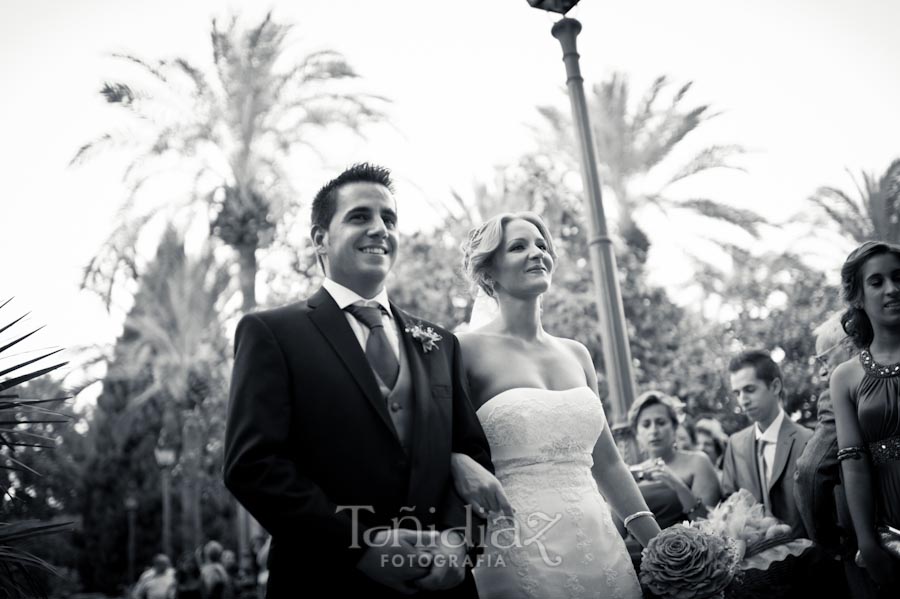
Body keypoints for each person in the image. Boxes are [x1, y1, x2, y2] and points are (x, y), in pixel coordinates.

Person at [223, 163, 493, 598]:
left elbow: (472, 455)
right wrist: (360, 546)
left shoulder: (441, 343)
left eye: (389, 219)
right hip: (326, 581)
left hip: (442, 587)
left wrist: (459, 543)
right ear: (320, 240)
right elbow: (253, 466)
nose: (379, 229)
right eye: (359, 217)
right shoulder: (272, 333)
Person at [448, 212, 660, 598]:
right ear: (488, 273)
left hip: (600, 544)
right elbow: (444, 446)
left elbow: (609, 464)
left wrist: (659, 546)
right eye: (519, 246)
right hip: (517, 546)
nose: (536, 254)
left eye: (542, 245)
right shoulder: (463, 351)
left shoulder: (577, 354)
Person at [830, 240, 900, 594]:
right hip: (891, 533)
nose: (893, 289)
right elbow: (853, 465)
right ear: (857, 296)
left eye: (898, 277)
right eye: (877, 282)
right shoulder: (845, 377)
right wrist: (867, 543)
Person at [722, 349, 813, 538]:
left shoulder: (808, 440)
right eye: (737, 393)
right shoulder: (735, 443)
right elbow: (728, 503)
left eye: (749, 389)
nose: (742, 401)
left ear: (775, 386)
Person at [628, 392, 721, 530]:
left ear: (675, 428)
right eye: (646, 425)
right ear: (637, 434)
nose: (654, 430)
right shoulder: (633, 473)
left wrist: (678, 485)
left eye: (661, 422)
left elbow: (710, 525)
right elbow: (618, 531)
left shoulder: (698, 462)